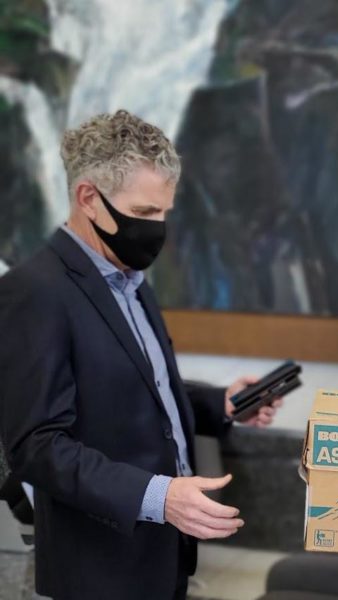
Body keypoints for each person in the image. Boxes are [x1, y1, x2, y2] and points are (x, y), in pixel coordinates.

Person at [0, 110, 281, 600]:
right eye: (146, 213)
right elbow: (37, 447)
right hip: (100, 567)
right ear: (88, 198)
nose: (159, 228)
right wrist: (161, 497)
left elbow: (142, 387)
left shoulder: (130, 280)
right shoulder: (34, 293)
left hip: (163, 552)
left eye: (165, 212)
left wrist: (222, 404)